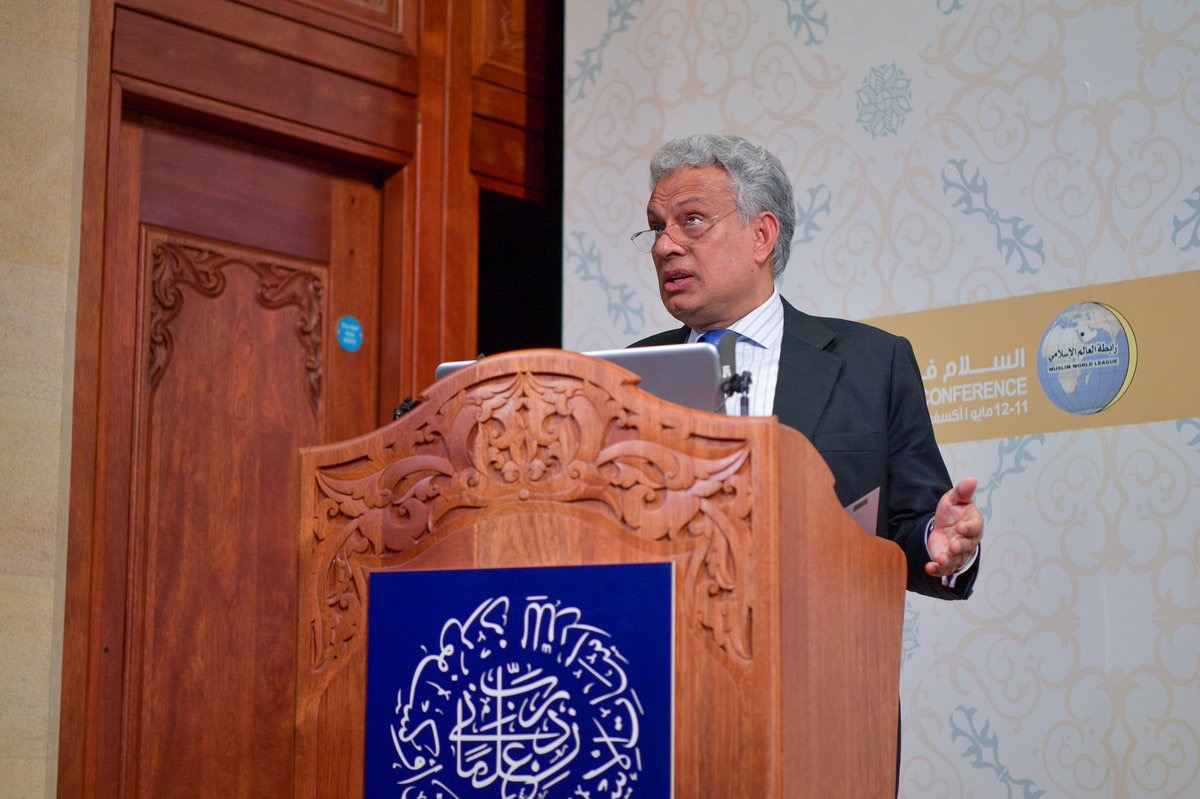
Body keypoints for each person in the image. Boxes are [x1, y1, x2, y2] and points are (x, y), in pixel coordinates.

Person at [629, 134, 982, 599]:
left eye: (691, 221)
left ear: (762, 236)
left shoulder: (872, 364)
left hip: (817, 653)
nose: (663, 247)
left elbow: (913, 529)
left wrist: (939, 543)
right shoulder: (629, 377)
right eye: (657, 227)